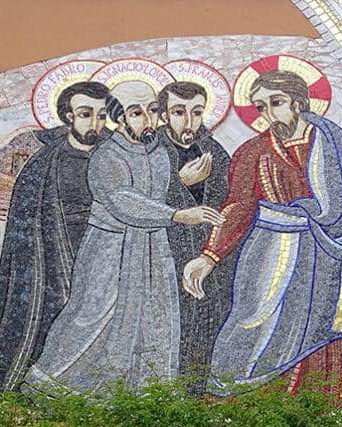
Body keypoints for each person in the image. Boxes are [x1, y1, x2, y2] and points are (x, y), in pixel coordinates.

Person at [181, 69, 342, 409]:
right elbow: (239, 206)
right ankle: (249, 404)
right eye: (260, 107)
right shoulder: (252, 152)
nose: (268, 113)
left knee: (336, 321)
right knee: (254, 324)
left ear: (299, 102)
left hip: (331, 248)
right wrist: (209, 256)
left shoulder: (332, 144)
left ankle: (341, 403)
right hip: (272, 250)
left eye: (276, 103)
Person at [24, 80, 224, 392]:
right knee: (94, 316)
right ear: (119, 117)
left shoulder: (158, 153)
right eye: (136, 113)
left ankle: (145, 391)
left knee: (153, 319)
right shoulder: (107, 155)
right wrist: (176, 215)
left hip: (153, 248)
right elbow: (122, 199)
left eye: (153, 111)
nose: (147, 119)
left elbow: (161, 193)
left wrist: (183, 190)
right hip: (111, 249)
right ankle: (52, 384)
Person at [0, 81, 109, 390]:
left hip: (108, 254)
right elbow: (24, 222)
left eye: (101, 115)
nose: (95, 123)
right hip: (54, 256)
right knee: (52, 315)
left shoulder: (117, 157)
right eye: (86, 114)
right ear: (68, 116)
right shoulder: (44, 164)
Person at [155, 81, 233, 381]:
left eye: (196, 112)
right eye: (179, 112)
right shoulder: (152, 150)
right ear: (164, 115)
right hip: (165, 251)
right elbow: (138, 202)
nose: (189, 121)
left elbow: (229, 201)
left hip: (207, 250)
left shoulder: (214, 151)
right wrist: (179, 183)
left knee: (208, 317)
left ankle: (201, 385)